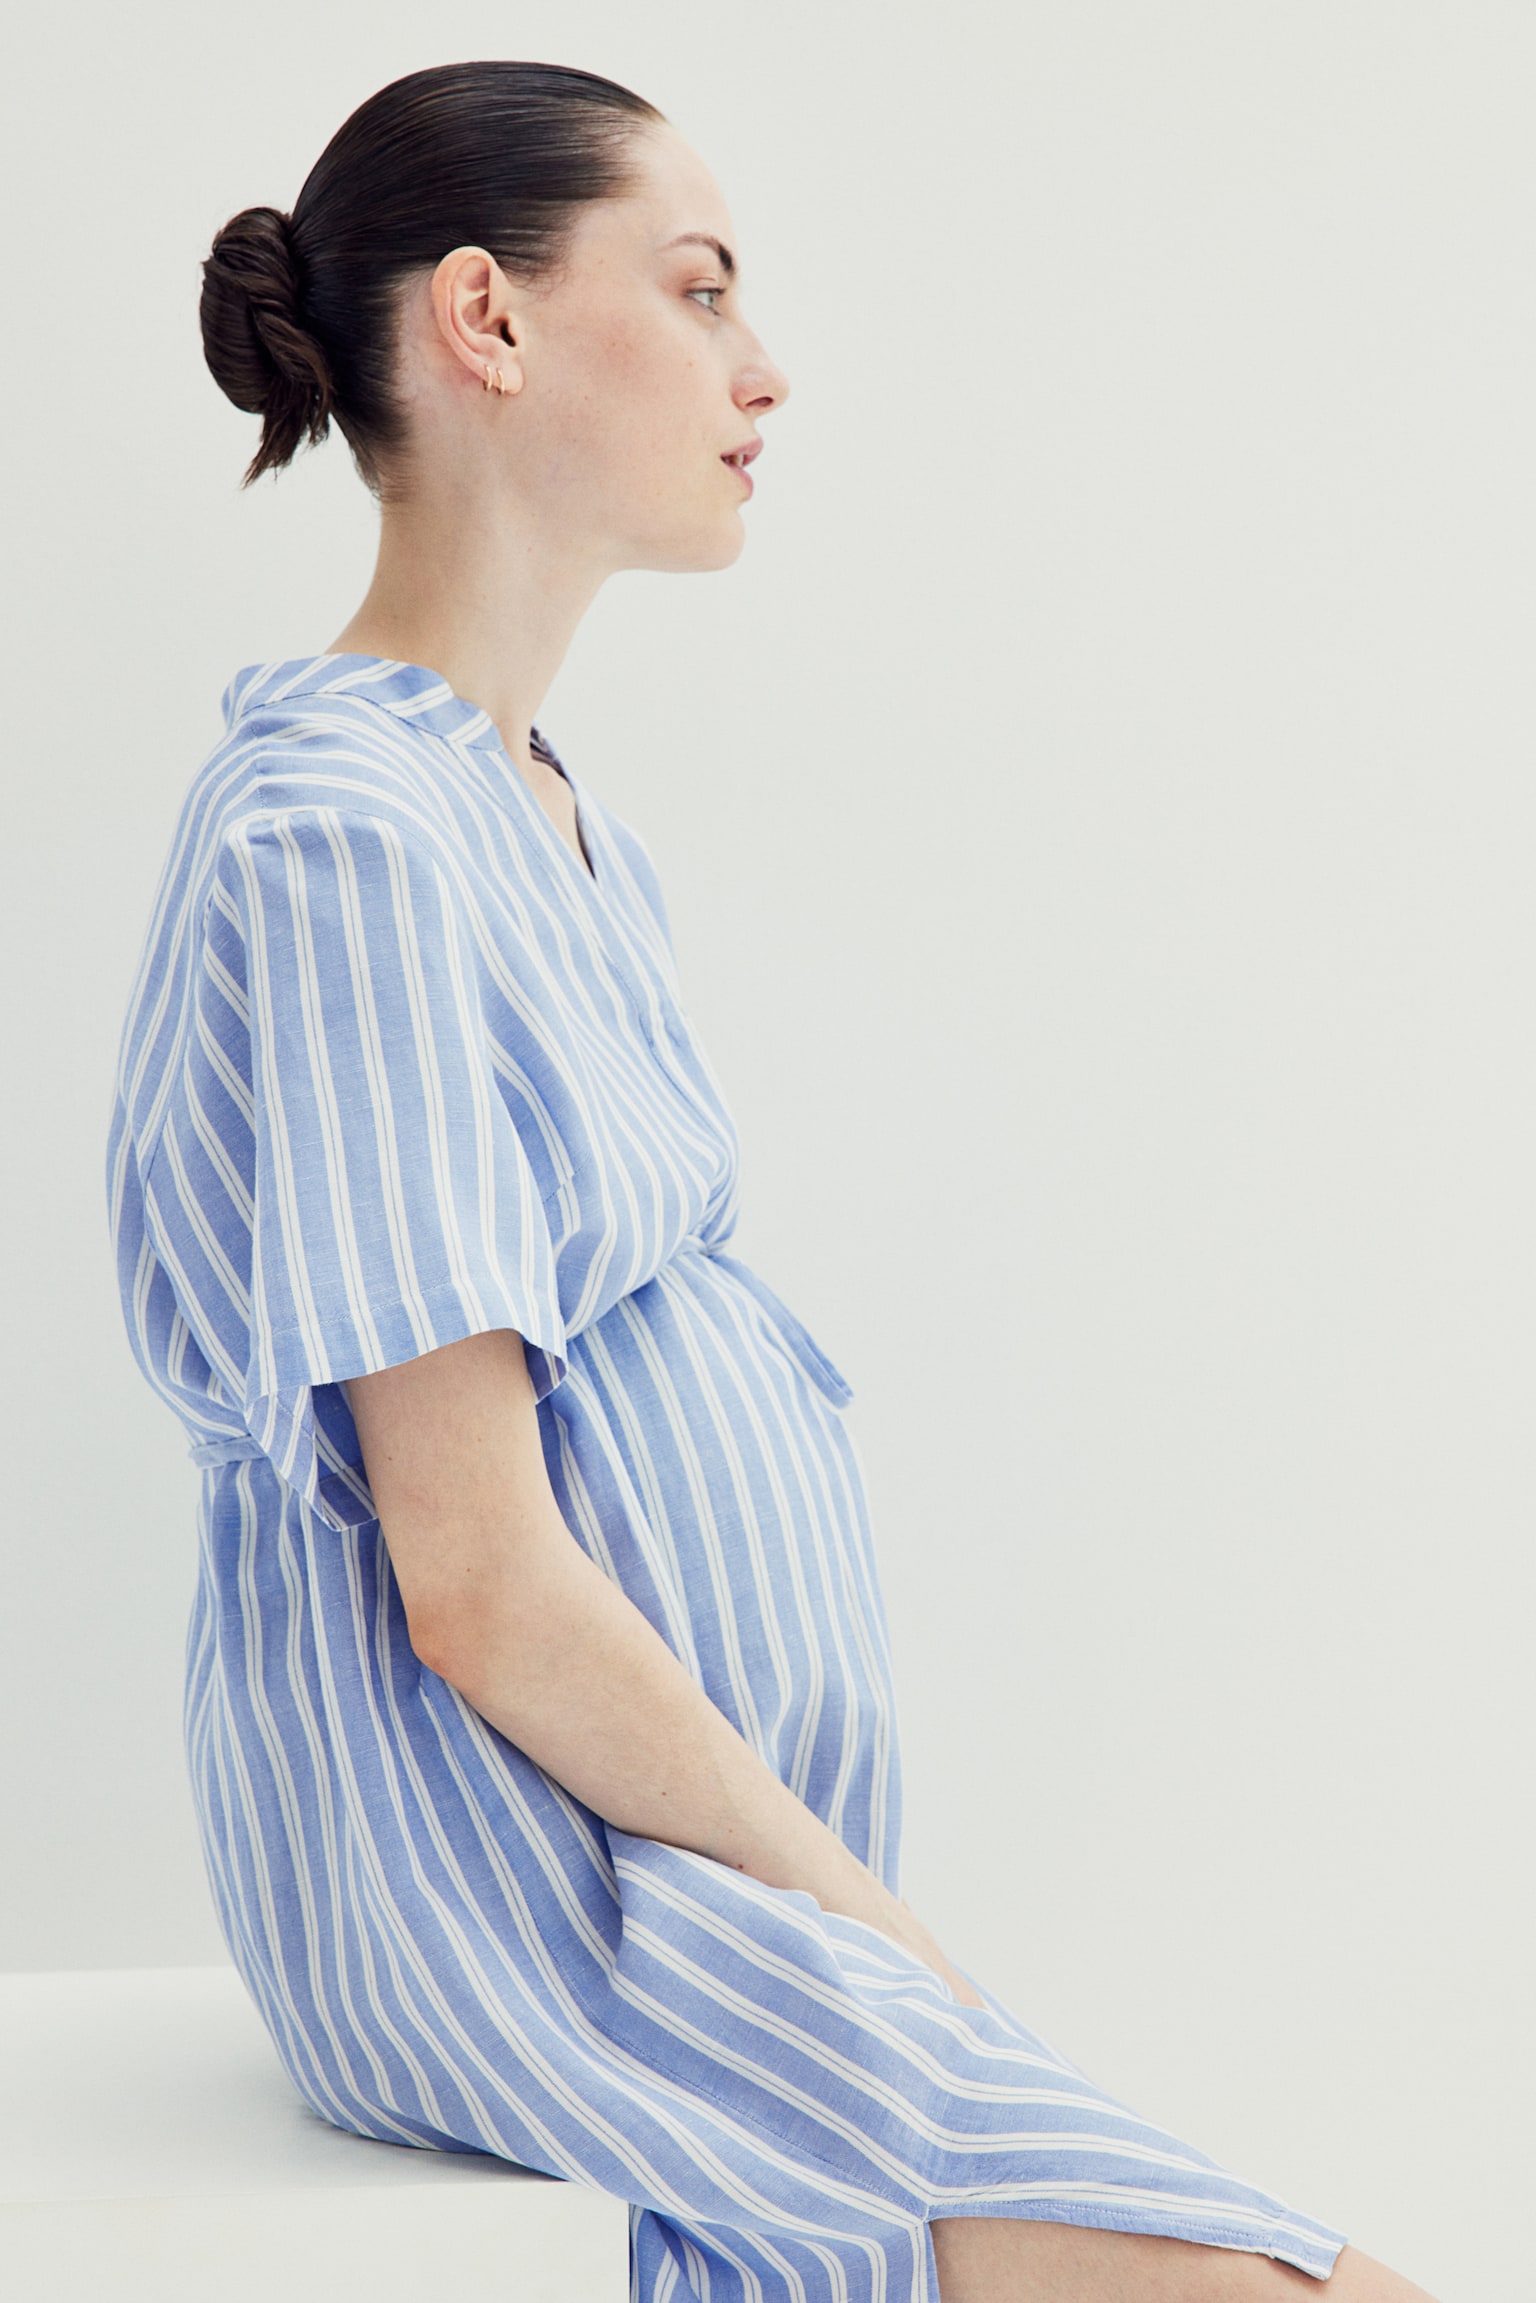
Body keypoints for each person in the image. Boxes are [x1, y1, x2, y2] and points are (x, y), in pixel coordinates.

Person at [107, 61, 1435, 2303]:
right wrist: (879, 1933)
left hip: (651, 1862)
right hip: (491, 1877)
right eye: (700, 287)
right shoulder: (341, 837)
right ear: (487, 323)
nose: (764, 366)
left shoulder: (525, 804)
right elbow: (475, 1582)